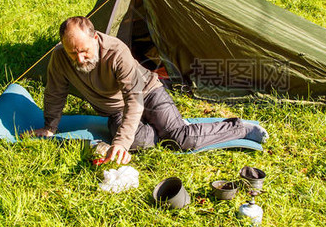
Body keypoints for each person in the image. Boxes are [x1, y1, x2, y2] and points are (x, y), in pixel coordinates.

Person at [32, 16, 267, 164]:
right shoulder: (60, 57)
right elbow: (55, 92)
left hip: (147, 92)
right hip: (115, 110)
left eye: (84, 51)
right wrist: (50, 127)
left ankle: (239, 128)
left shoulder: (116, 52)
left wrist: (120, 143)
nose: (80, 58)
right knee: (145, 141)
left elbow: (134, 99)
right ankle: (169, 129)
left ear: (95, 37)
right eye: (72, 52)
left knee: (181, 139)